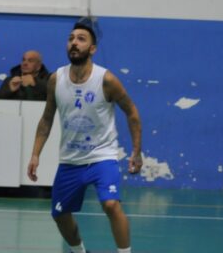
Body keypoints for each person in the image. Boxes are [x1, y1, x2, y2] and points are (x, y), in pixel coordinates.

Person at [27, 23, 143, 253]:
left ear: (92, 49)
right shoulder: (56, 79)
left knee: (111, 204)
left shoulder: (106, 80)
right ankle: (79, 251)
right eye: (71, 38)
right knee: (60, 214)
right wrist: (35, 154)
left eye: (81, 39)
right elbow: (47, 119)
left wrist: (136, 152)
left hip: (102, 156)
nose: (74, 43)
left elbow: (132, 112)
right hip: (71, 160)